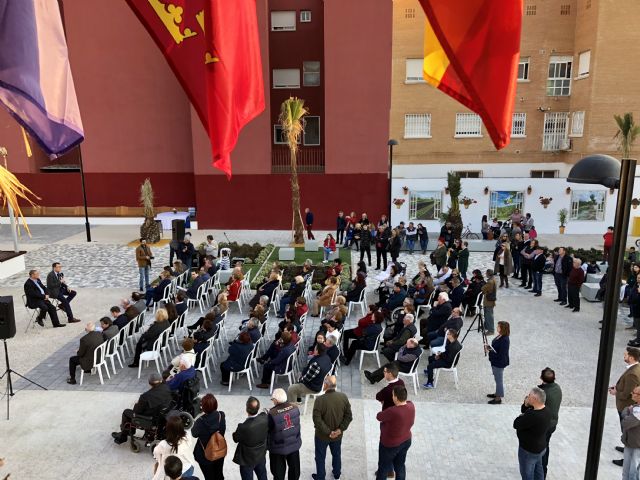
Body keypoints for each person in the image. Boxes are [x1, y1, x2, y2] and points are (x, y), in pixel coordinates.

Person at [111, 372, 173, 444]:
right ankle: (129, 432)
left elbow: (136, 411)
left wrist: (136, 404)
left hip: (151, 419)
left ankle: (123, 436)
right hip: (162, 415)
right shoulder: (166, 387)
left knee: (126, 412)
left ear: (149, 383)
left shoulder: (145, 396)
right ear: (161, 380)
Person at [312, 375, 353, 480]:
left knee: (320, 457)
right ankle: (337, 474)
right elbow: (348, 416)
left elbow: (317, 420)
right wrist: (339, 430)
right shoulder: (343, 397)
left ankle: (320, 477)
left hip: (322, 436)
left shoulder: (319, 400)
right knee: (336, 454)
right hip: (338, 436)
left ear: (326, 385)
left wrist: (329, 432)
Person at [375, 385, 415, 480]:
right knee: (400, 466)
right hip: (406, 440)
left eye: (393, 395)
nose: (392, 397)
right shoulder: (411, 405)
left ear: (396, 397)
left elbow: (379, 416)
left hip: (390, 444)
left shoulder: (393, 411)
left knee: (383, 468)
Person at [514, 387, 552, 480]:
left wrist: (521, 416)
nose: (527, 397)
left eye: (529, 395)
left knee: (527, 474)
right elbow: (524, 411)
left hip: (528, 450)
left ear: (535, 399)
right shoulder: (547, 410)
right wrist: (526, 405)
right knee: (538, 470)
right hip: (540, 448)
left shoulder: (533, 415)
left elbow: (516, 424)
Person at [611, 347, 640, 467]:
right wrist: (618, 387)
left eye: (626, 355)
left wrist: (616, 392)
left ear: (631, 357)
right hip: (626, 406)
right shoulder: (635, 368)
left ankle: (627, 457)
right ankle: (626, 447)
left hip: (625, 406)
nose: (624, 356)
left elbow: (626, 393)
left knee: (627, 429)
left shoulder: (633, 373)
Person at [267, 388, 302, 480]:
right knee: (295, 471)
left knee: (278, 473)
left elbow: (267, 430)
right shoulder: (295, 408)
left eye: (273, 399)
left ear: (276, 400)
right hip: (294, 444)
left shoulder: (272, 413)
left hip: (278, 447)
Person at [233, 396, 269, 480]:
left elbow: (235, 439)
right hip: (260, 455)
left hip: (247, 459)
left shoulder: (243, 427)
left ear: (247, 409)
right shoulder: (265, 418)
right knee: (262, 476)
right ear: (258, 408)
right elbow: (266, 412)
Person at [192, 393, 226, 480]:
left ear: (203, 407)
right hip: (219, 450)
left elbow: (194, 434)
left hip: (205, 456)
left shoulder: (200, 421)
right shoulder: (221, 416)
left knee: (209, 477)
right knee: (219, 474)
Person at [153, 415, 197, 480]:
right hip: (189, 468)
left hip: (174, 473)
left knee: (157, 466)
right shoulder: (187, 436)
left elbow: (156, 453)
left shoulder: (163, 444)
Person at [538, 368, 562, 478]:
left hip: (544, 425)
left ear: (541, 378)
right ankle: (543, 470)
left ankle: (541, 471)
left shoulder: (543, 393)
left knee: (542, 448)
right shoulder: (557, 388)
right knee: (546, 445)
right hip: (553, 424)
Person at [486, 321, 510, 404]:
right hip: (495, 361)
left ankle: (498, 398)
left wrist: (490, 351)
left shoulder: (505, 340)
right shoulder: (500, 335)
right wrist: (490, 348)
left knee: (499, 380)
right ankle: (497, 393)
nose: (497, 328)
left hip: (499, 363)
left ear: (503, 328)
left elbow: (501, 354)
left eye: (498, 326)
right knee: (497, 379)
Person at [481, 269, 497, 335]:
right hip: (489, 300)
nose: (485, 274)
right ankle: (486, 326)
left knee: (489, 316)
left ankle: (491, 330)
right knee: (486, 314)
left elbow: (483, 288)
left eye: (486, 273)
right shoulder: (493, 279)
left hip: (489, 301)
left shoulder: (490, 282)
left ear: (488, 274)